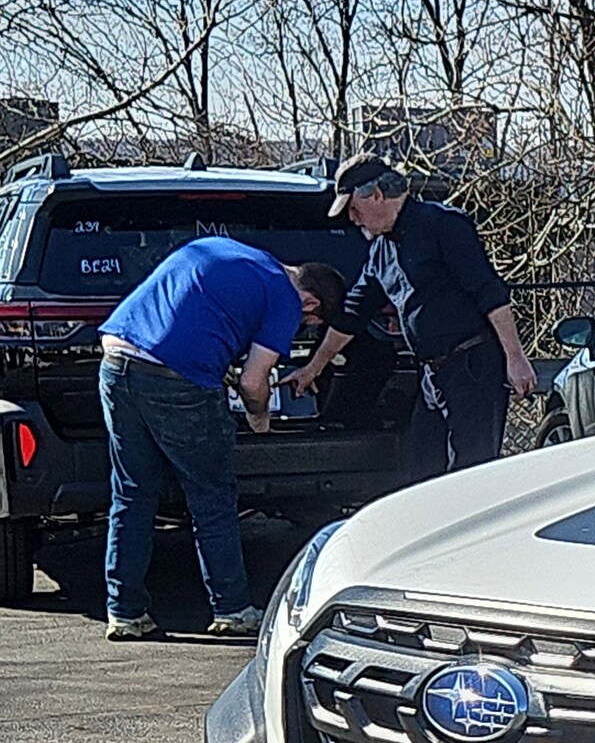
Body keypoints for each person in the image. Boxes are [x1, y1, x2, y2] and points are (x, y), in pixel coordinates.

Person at [97, 242, 346, 642]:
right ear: (310, 302)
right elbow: (253, 381)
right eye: (309, 324)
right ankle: (231, 608)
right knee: (211, 496)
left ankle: (124, 612)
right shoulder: (285, 298)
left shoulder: (225, 250)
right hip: (177, 379)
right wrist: (259, 416)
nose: (300, 328)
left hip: (116, 360)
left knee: (132, 493)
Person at [286, 154, 536, 472]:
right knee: (423, 471)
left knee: (473, 472)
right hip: (432, 375)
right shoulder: (380, 251)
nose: (353, 219)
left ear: (376, 195)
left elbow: (490, 293)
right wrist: (313, 368)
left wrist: (515, 358)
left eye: (354, 208)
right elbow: (352, 313)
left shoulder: (443, 225)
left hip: (473, 367)